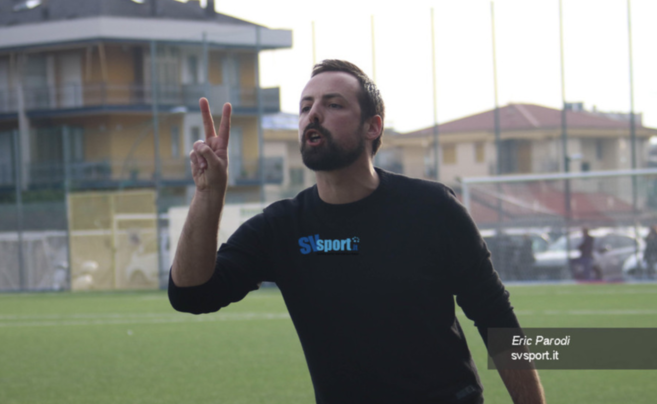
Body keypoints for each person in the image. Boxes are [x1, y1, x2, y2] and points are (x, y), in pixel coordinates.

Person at [169, 59, 545, 404]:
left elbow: (496, 318)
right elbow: (191, 294)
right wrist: (208, 192)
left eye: (333, 104)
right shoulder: (281, 227)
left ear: (373, 126)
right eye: (305, 106)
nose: (313, 114)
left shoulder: (432, 208)